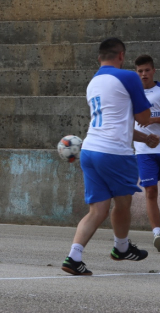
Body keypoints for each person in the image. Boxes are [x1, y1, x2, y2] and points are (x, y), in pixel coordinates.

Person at [61, 37, 158, 276]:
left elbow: (117, 122)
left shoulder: (93, 82)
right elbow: (144, 118)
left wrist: (145, 139)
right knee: (123, 203)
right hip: (114, 153)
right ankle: (121, 248)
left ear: (99, 58)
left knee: (98, 210)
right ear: (122, 56)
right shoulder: (127, 77)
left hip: (90, 150)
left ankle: (74, 257)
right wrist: (151, 125)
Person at [134, 54, 160, 251]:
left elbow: (149, 119)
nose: (144, 74)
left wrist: (152, 120)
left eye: (147, 70)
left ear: (153, 71)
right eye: (140, 71)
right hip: (143, 151)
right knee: (150, 191)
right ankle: (157, 233)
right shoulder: (131, 94)